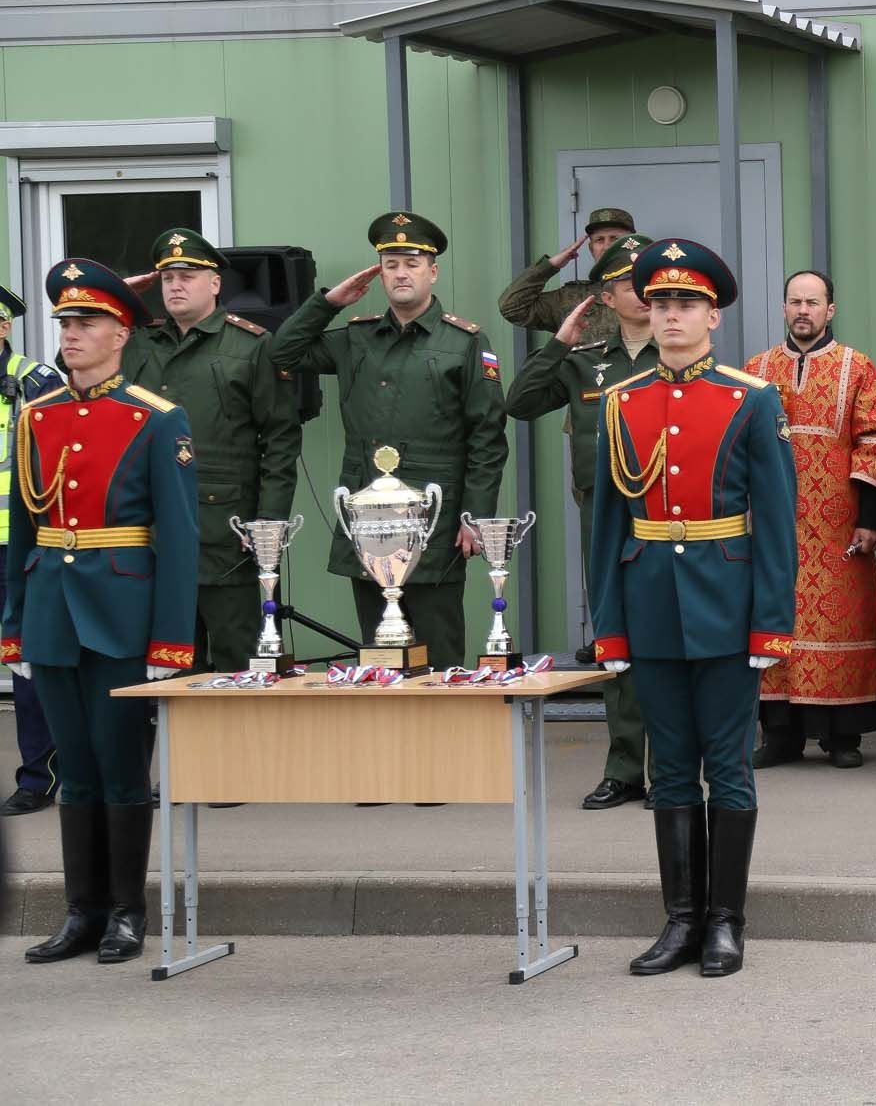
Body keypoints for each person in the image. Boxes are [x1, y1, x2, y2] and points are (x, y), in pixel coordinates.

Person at [588, 237, 797, 978]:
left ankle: (725, 923)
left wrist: (774, 620)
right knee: (669, 769)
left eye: (687, 303)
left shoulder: (750, 397)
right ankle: (679, 920)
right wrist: (607, 626)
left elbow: (776, 520)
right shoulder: (623, 402)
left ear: (714, 315)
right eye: (663, 302)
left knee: (730, 768)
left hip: (729, 605)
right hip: (650, 608)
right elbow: (608, 526)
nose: (672, 315)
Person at [4, 259, 198, 964]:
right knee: (74, 772)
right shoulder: (37, 416)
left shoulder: (154, 417)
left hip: (124, 612)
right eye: (64, 322)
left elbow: (178, 539)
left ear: (121, 332)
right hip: (54, 611)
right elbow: (25, 529)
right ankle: (79, 912)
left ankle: (125, 911)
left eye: (86, 322)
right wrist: (14, 626)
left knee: (121, 771)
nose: (71, 333)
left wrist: (171, 641)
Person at [269, 212, 507, 671]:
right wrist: (329, 303)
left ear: (432, 272)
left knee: (438, 656)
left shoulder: (465, 343)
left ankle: (443, 743)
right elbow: (282, 353)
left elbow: (488, 438)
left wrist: (474, 516)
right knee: (380, 654)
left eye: (412, 263)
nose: (400, 272)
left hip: (433, 517)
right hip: (367, 519)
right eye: (390, 263)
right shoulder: (356, 338)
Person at [503, 232, 656, 810]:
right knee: (615, 641)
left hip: (670, 519)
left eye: (647, 284)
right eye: (625, 285)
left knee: (665, 645)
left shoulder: (683, 361)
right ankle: (622, 768)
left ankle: (668, 768)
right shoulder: (587, 362)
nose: (639, 294)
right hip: (604, 516)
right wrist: (558, 345)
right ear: (608, 297)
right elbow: (518, 403)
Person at [743, 271, 876, 770]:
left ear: (830, 309)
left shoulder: (858, 368)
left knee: (842, 619)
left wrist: (870, 518)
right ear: (784, 307)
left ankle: (843, 734)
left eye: (813, 302)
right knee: (776, 618)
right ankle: (781, 735)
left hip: (838, 522)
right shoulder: (756, 368)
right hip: (773, 523)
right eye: (795, 302)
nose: (803, 311)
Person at [127, 228, 303, 678]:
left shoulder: (249, 345)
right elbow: (77, 371)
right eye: (167, 278)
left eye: (187, 275)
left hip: (228, 535)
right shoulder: (137, 343)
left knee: (238, 662)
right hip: (150, 532)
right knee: (166, 667)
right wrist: (115, 299)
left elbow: (280, 438)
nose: (175, 286)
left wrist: (269, 524)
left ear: (215, 283)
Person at [0, 285, 64, 817]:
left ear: (3, 327)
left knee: (23, 665)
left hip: (15, 546)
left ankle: (36, 777)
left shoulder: (35, 381)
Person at [498, 206, 636, 341]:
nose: (607, 246)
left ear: (632, 244)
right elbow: (512, 308)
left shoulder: (648, 289)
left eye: (615, 239)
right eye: (599, 240)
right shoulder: (571, 297)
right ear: (591, 248)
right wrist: (550, 265)